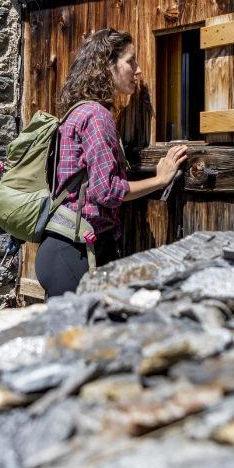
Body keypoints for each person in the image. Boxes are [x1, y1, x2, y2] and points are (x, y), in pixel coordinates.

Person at [35, 28, 187, 297]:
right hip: (76, 253)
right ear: (107, 65)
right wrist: (161, 179)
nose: (138, 70)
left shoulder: (78, 111)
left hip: (64, 248)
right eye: (131, 61)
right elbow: (106, 191)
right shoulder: (97, 115)